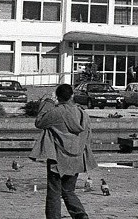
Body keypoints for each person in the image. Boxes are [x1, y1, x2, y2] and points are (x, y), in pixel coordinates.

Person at [30, 84, 98, 219]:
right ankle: (80, 215)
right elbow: (88, 136)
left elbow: (39, 122)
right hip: (77, 158)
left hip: (58, 159)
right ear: (72, 95)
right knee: (69, 191)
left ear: (57, 97)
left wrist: (48, 102)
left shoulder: (57, 112)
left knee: (54, 193)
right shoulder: (83, 114)